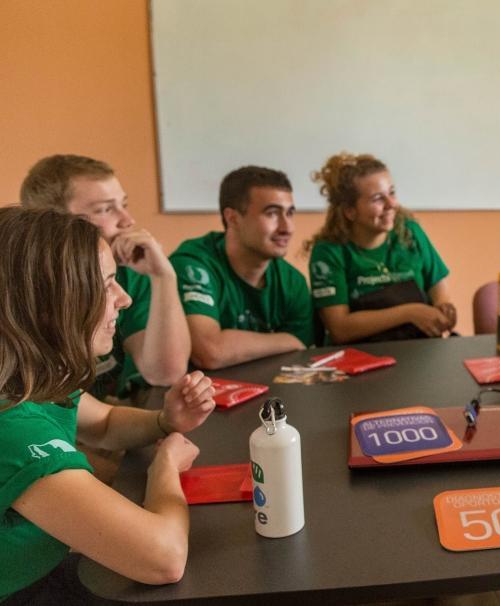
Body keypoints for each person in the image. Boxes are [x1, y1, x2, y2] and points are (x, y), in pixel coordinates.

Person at [0, 207, 215, 602]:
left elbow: (104, 423)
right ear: (49, 305)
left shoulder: (31, 379)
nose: (125, 299)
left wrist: (164, 420)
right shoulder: (12, 426)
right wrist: (164, 467)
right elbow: (164, 557)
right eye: (107, 285)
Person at [19, 155, 190, 402]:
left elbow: (165, 373)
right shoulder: (28, 290)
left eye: (124, 204)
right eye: (105, 209)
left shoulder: (129, 273)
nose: (128, 221)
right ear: (53, 220)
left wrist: (163, 276)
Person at [170, 166, 314, 369]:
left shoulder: (293, 282)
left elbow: (301, 352)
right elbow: (209, 352)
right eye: (272, 213)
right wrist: (285, 340)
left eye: (290, 213)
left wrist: (231, 343)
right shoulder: (192, 264)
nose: (287, 228)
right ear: (233, 218)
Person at [306, 153, 455, 343]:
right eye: (378, 199)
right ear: (350, 211)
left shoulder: (409, 231)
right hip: (358, 355)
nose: (392, 204)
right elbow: (340, 328)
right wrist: (409, 313)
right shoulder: (328, 251)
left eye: (392, 193)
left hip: (417, 349)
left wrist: (443, 307)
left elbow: (438, 284)